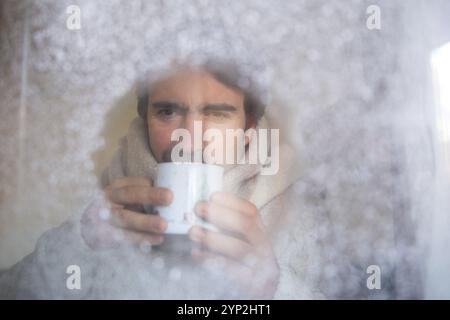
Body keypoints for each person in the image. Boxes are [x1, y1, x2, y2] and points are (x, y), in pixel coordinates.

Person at [0, 61, 327, 299]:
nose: (190, 137)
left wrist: (274, 290)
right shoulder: (103, 209)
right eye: (167, 112)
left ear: (248, 130)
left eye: (216, 113)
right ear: (145, 121)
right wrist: (77, 244)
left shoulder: (297, 219)